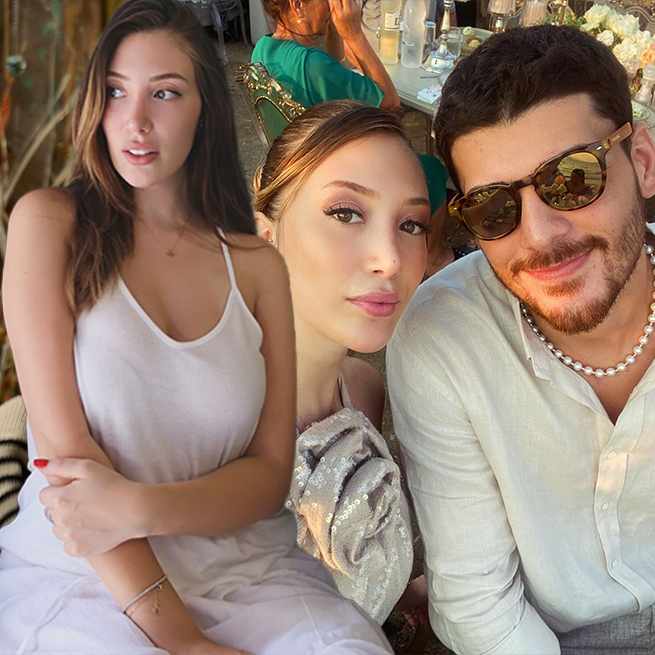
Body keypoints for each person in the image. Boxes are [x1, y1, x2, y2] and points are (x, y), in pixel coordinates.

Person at [0, 2, 392, 653]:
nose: (136, 120)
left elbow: (266, 477)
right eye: (115, 91)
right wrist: (184, 641)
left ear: (204, 109)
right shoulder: (50, 225)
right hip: (83, 579)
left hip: (246, 573)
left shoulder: (256, 266)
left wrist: (139, 505)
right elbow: (70, 470)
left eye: (165, 93)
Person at [387, 24, 655, 655]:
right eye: (493, 209)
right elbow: (478, 603)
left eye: (573, 178)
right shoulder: (444, 343)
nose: (540, 235)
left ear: (642, 161)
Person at [253, 99, 430, 627]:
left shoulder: (361, 389)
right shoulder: (207, 433)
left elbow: (352, 583)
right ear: (265, 236)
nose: (390, 259)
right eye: (346, 213)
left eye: (412, 224)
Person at [252, 0, 400, 111]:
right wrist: (355, 35)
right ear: (298, 6)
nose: (332, 6)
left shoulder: (262, 47)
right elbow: (390, 101)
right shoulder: (313, 64)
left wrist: (334, 32)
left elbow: (337, 86)